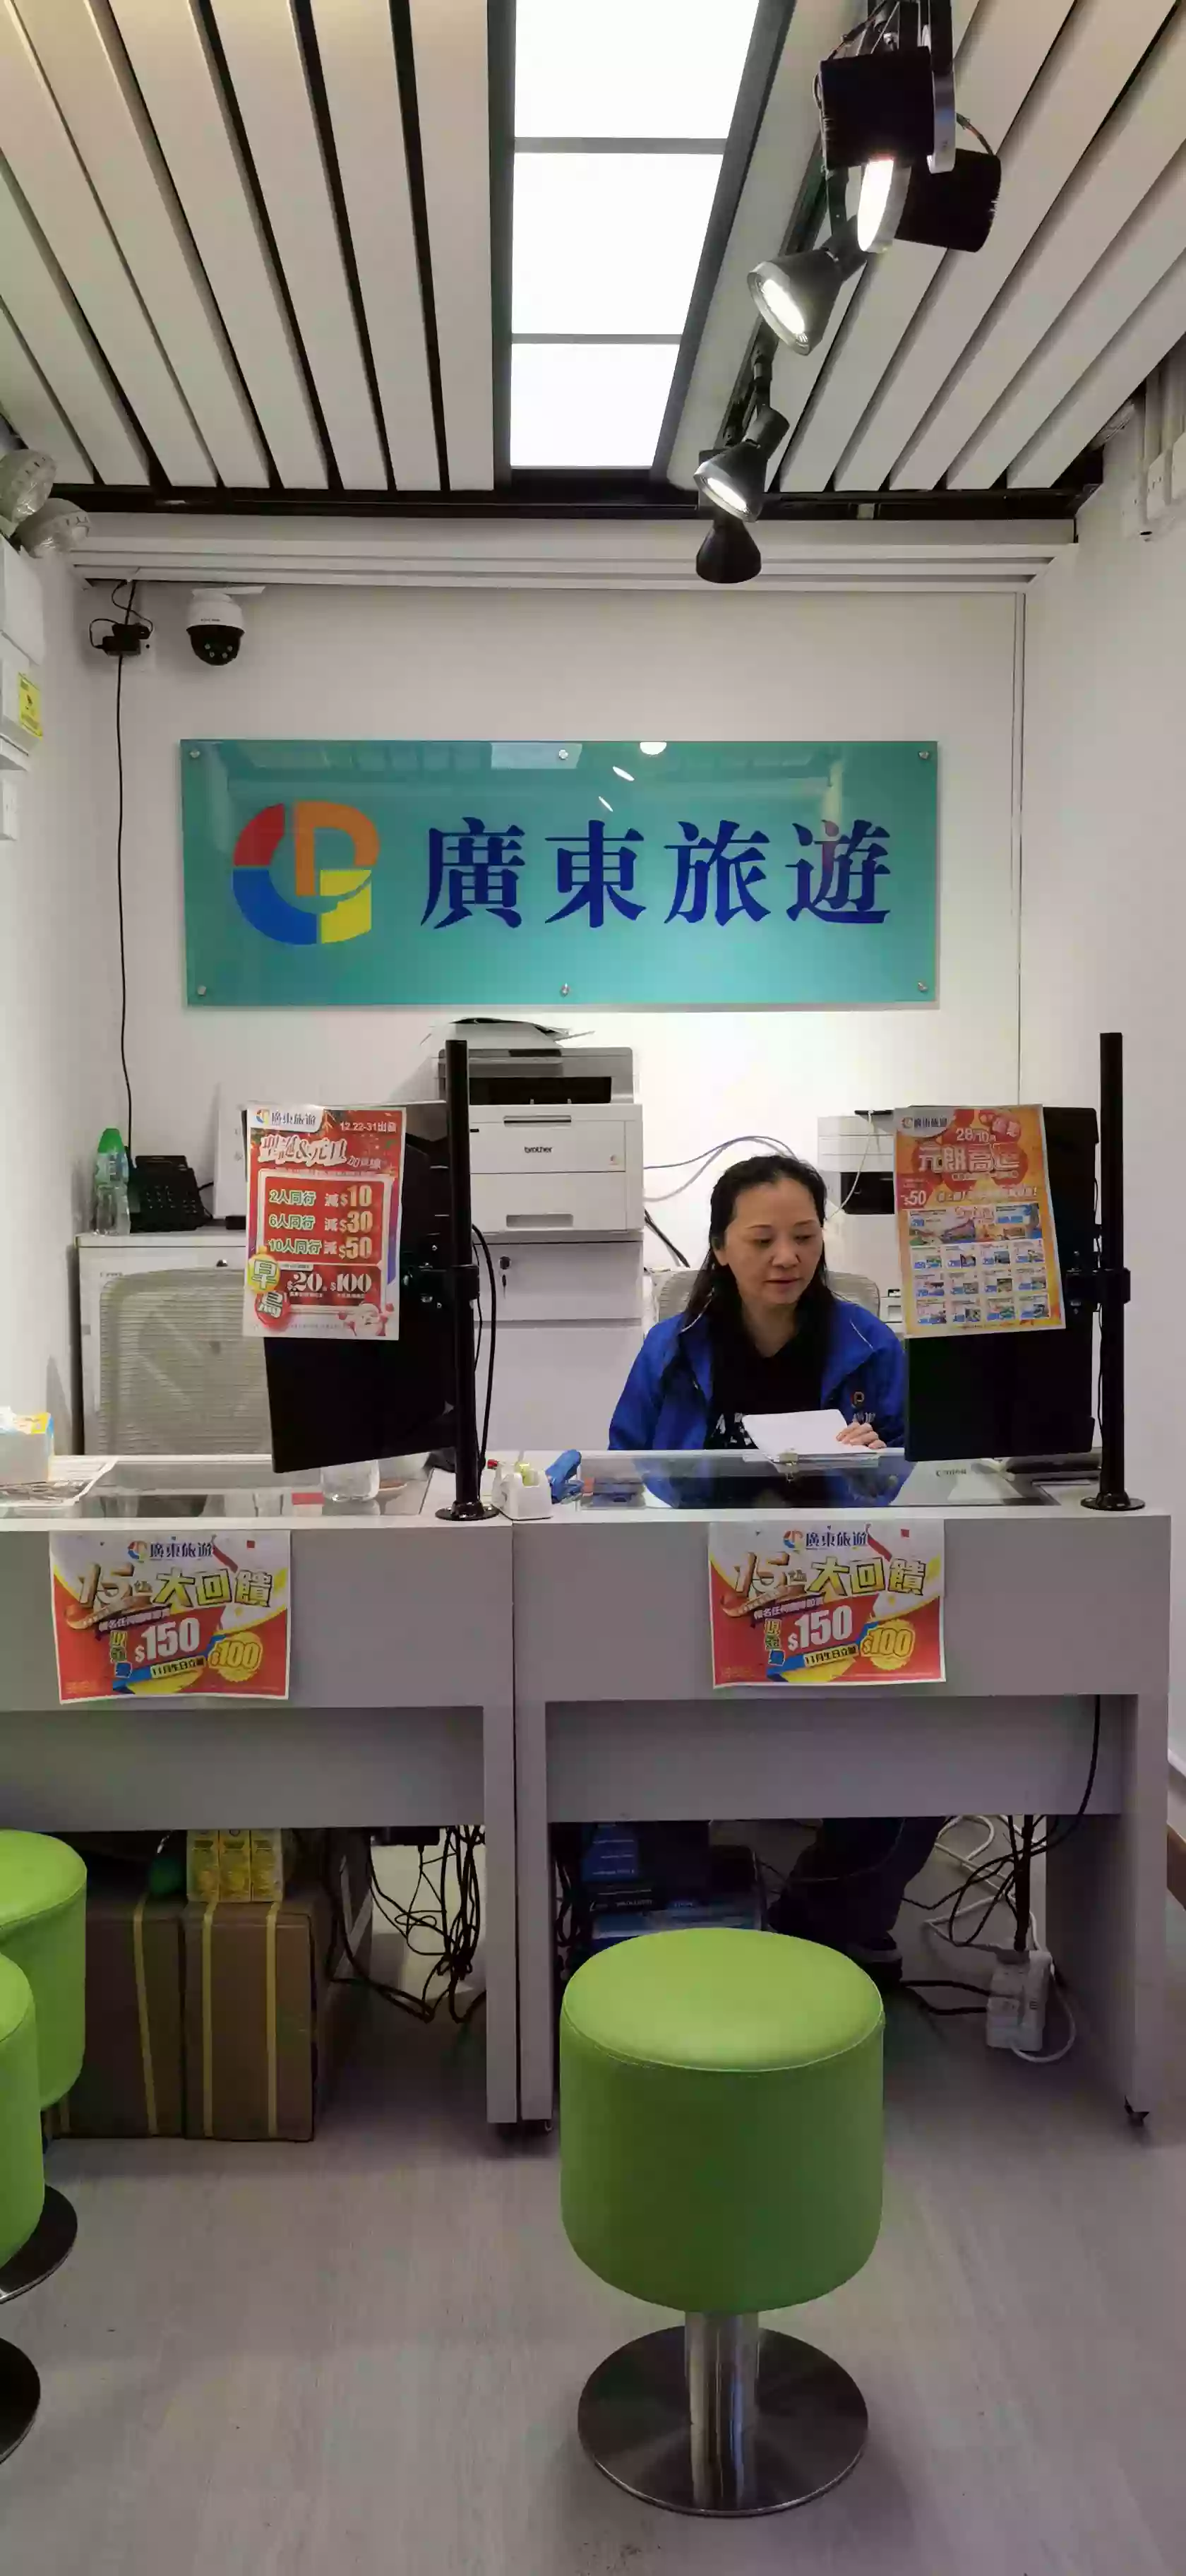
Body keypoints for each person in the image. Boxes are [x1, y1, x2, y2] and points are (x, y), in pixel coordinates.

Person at [609, 1151, 940, 1984]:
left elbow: (917, 1479)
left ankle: (825, 1916)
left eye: (804, 1236)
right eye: (762, 1240)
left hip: (844, 1596)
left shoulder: (872, 1346)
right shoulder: (671, 1348)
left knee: (923, 1758)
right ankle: (678, 1919)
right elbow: (628, 1468)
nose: (787, 1258)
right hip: (697, 1590)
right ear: (721, 1248)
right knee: (620, 1735)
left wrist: (870, 1463)